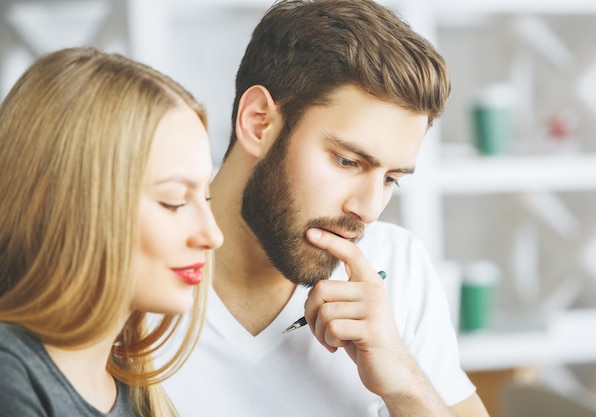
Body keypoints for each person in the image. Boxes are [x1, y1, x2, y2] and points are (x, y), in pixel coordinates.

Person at [164, 0, 489, 416]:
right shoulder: (135, 271)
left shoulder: (398, 265)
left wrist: (405, 385)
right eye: (347, 161)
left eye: (390, 179)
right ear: (258, 122)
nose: (369, 210)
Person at [0, 47, 223, 417]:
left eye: (207, 196)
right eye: (174, 201)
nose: (212, 235)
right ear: (54, 203)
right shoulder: (11, 378)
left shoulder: (138, 392)